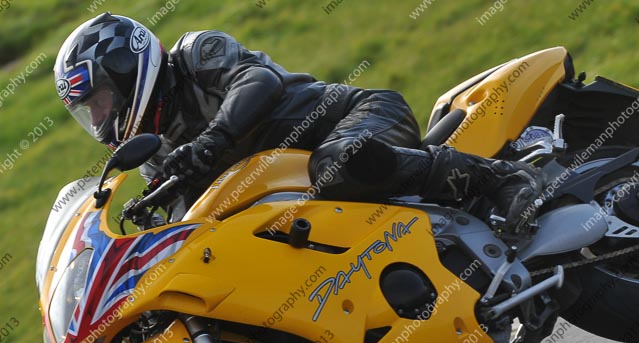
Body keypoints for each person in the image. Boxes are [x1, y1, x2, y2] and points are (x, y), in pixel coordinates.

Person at [54, 13, 542, 229]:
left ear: (126, 68)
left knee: (336, 162)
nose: (98, 117)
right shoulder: (155, 152)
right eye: (88, 112)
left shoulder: (195, 54)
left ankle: (500, 177)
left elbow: (258, 82)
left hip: (358, 117)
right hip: (312, 197)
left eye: (98, 100)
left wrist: (215, 140)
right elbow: (193, 221)